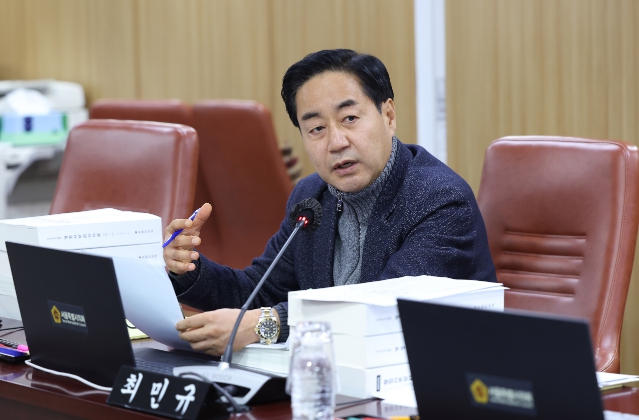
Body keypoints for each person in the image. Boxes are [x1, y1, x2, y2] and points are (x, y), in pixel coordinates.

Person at [164, 49, 497, 356]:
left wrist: (266, 324)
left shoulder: (439, 199)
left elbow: (381, 311)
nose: (336, 142)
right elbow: (258, 291)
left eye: (349, 118)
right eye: (316, 128)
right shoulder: (312, 197)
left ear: (388, 115)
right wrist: (188, 268)